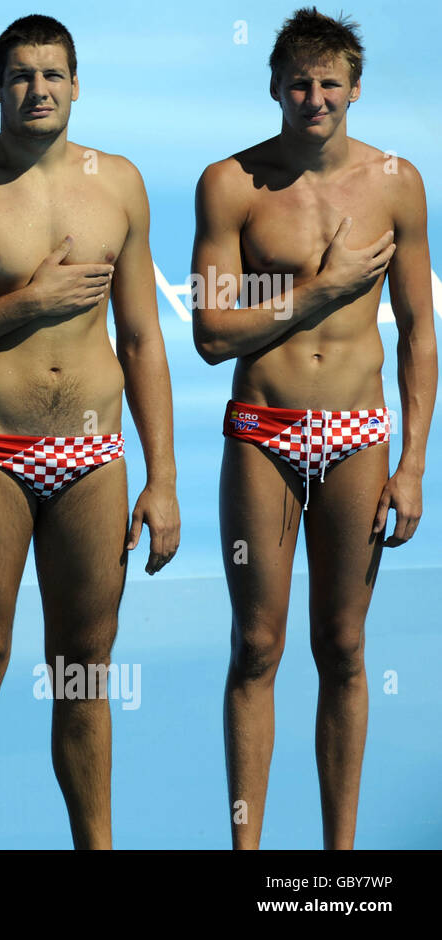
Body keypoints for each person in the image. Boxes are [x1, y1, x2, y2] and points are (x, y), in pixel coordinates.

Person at [0, 15, 180, 848]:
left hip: (96, 453)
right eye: (20, 75)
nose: (37, 89)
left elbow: (142, 339)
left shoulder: (118, 182)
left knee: (83, 672)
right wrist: (24, 304)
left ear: (77, 84)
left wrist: (163, 477)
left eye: (53, 75)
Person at [192, 7, 435, 849]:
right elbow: (212, 333)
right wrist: (322, 292)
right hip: (262, 426)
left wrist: (413, 464)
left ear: (355, 89)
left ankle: (339, 858)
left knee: (343, 645)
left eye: (330, 82)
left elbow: (418, 328)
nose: (314, 96)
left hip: (357, 435)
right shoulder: (232, 182)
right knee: (257, 644)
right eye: (299, 82)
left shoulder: (397, 181)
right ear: (274, 87)